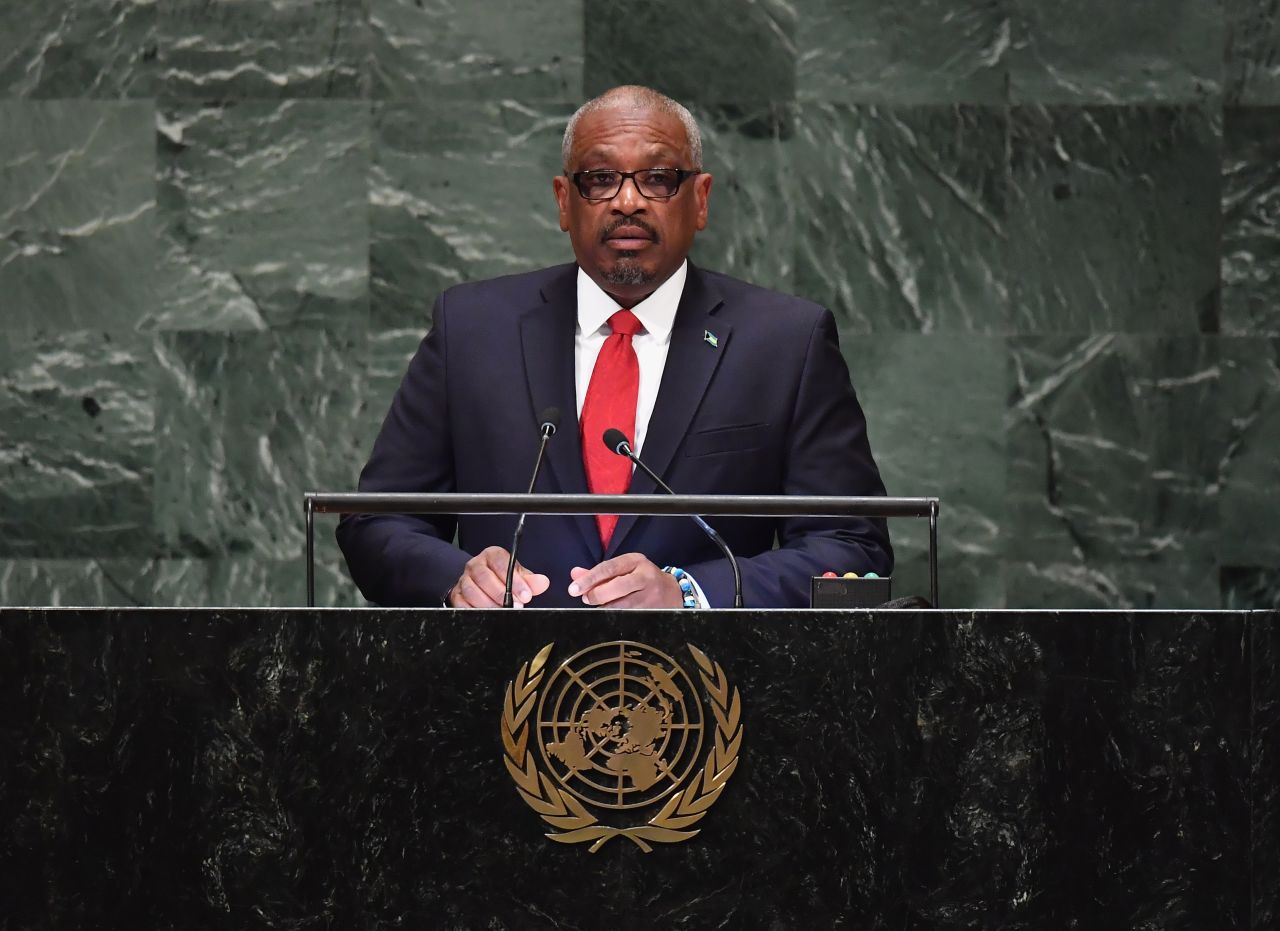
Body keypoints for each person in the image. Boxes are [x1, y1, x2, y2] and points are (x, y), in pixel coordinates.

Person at [337, 85, 892, 610]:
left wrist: (692, 593)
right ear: (563, 201)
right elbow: (376, 521)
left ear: (700, 200)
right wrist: (457, 576)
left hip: (711, 693)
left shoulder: (786, 342)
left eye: (658, 178)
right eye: (600, 179)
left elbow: (852, 547)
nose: (627, 201)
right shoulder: (473, 329)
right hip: (499, 688)